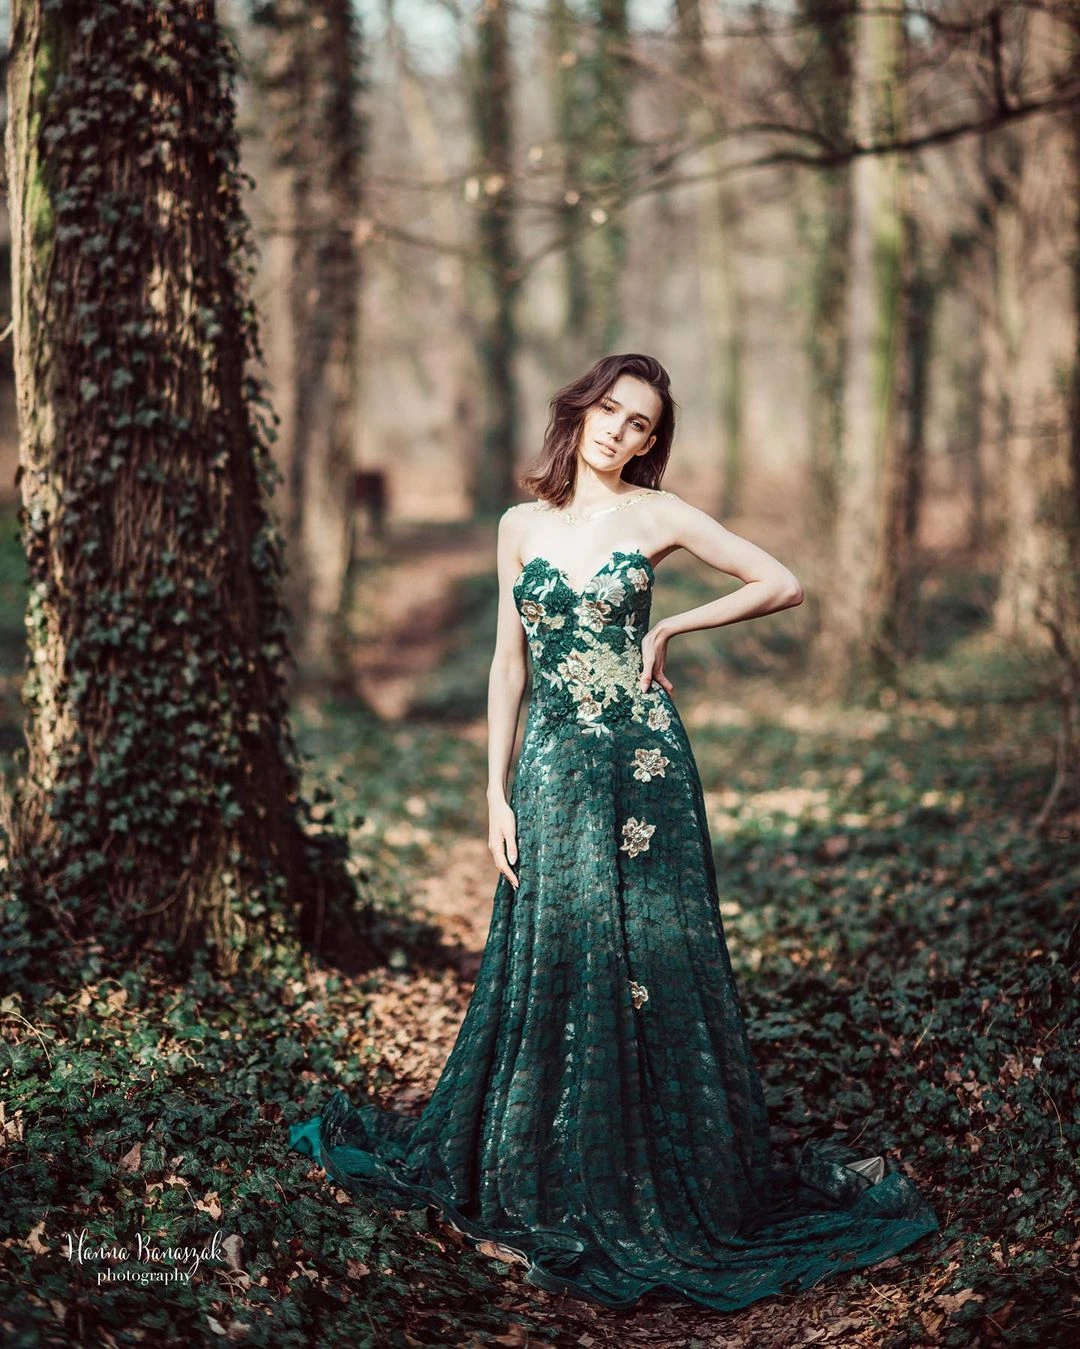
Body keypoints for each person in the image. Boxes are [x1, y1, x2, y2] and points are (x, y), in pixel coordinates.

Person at [289, 353, 940, 1310]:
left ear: (651, 440)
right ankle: (551, 1160)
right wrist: (493, 792)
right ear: (581, 408)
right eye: (611, 410)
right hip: (550, 767)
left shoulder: (658, 515)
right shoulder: (520, 525)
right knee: (560, 946)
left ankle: (667, 1175)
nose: (621, 431)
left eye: (641, 423)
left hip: (644, 772)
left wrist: (670, 629)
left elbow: (783, 581)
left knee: (654, 953)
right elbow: (507, 666)